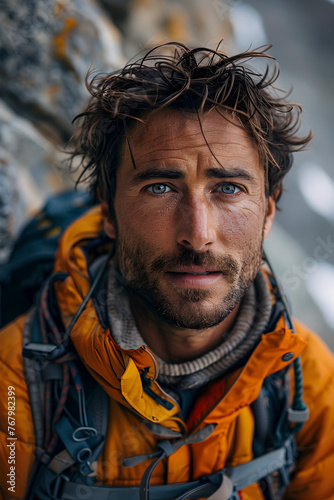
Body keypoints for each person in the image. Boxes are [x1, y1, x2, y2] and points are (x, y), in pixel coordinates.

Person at [0, 42, 334, 500]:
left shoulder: (309, 381)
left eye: (229, 188)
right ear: (109, 212)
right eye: (160, 187)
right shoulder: (15, 383)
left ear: (269, 213)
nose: (197, 235)